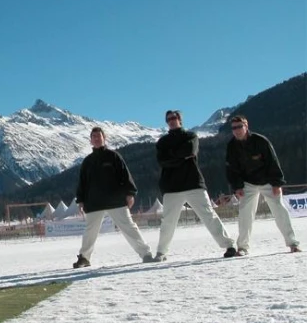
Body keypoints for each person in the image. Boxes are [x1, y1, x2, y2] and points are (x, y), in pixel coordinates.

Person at [154, 110, 237, 261]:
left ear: (180, 119)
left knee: (208, 215)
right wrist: (181, 156)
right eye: (168, 119)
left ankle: (229, 245)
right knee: (168, 222)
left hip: (193, 183)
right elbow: (162, 161)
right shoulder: (162, 142)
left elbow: (190, 151)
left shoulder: (191, 136)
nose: (171, 121)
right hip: (172, 187)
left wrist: (171, 156)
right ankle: (161, 252)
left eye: (174, 118)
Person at [73, 127, 154, 268]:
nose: (97, 138)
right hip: (94, 202)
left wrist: (130, 193)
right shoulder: (87, 161)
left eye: (99, 136)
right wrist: (80, 200)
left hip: (115, 200)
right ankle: (84, 258)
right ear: (90, 140)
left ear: (104, 138)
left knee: (129, 227)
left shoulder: (114, 156)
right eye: (94, 136)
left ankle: (146, 253)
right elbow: (82, 183)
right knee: (90, 232)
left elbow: (125, 175)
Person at [226, 115, 301, 255]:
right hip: (247, 184)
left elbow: (273, 162)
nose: (236, 130)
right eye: (233, 128)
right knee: (245, 215)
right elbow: (232, 169)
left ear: (246, 126)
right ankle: (242, 247)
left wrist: (277, 183)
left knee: (280, 211)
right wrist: (237, 187)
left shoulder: (260, 141)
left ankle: (293, 244)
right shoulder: (231, 146)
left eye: (239, 127)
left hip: (268, 181)